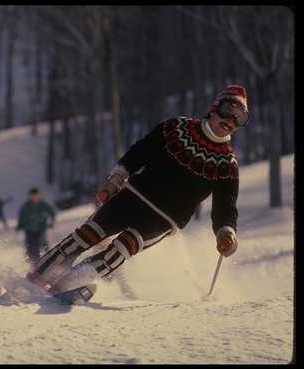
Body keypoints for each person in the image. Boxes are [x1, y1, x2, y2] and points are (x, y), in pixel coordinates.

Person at [27, 84, 248, 293]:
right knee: (87, 234)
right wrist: (115, 180)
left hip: (164, 219)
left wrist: (226, 232)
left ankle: (65, 286)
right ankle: (36, 279)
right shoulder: (175, 127)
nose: (231, 120)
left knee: (121, 249)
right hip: (133, 197)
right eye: (229, 110)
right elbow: (139, 152)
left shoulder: (227, 165)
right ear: (214, 107)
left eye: (240, 118)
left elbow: (225, 205)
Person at [16, 187, 57, 265]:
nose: (34, 198)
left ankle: (50, 261)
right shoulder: (27, 205)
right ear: (30, 196)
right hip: (29, 230)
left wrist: (52, 222)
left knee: (42, 244)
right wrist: (20, 225)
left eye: (36, 196)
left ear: (39, 196)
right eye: (32, 196)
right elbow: (22, 215)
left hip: (40, 229)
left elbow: (52, 213)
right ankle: (33, 264)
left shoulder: (43, 205)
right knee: (30, 247)